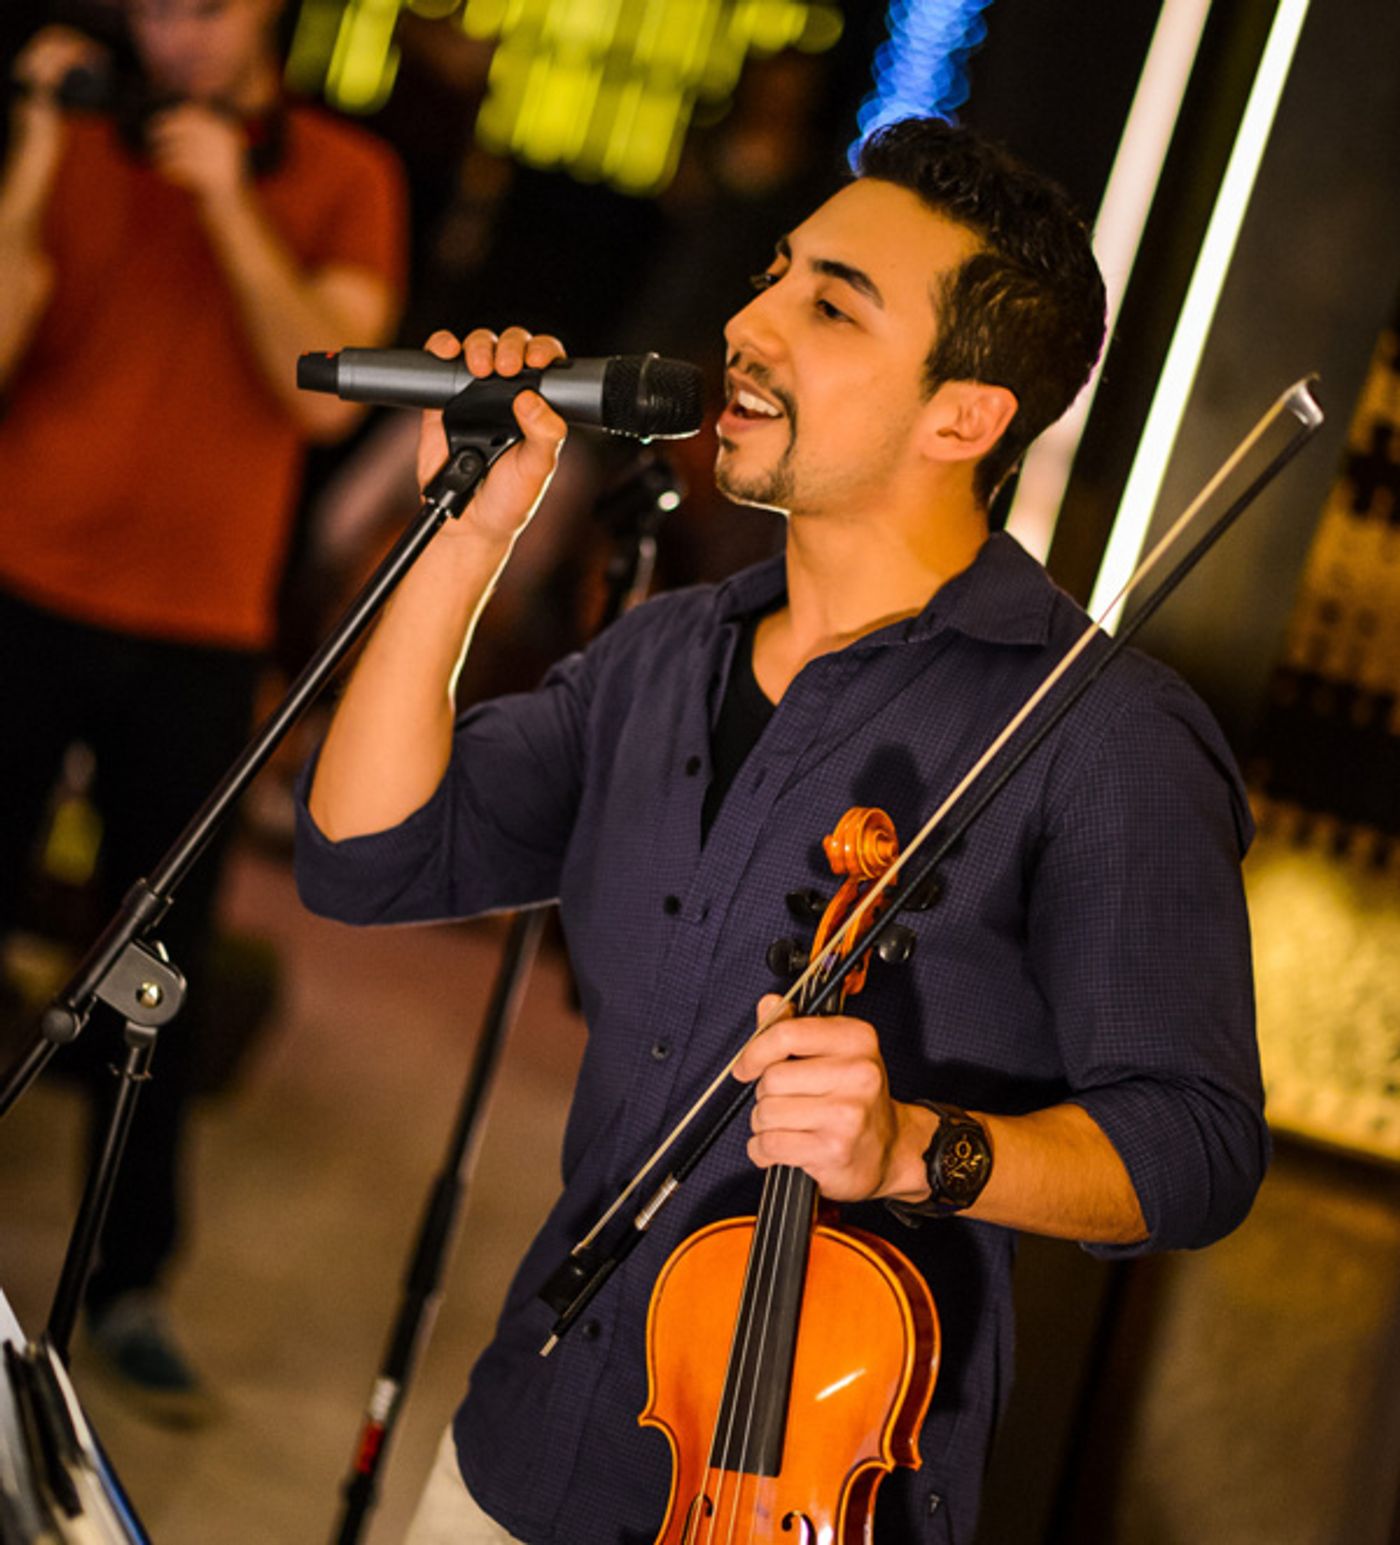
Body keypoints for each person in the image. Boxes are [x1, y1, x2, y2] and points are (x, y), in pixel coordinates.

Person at [295, 119, 1267, 1542]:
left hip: (818, 1490)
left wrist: (917, 1146)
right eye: (773, 275)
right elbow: (365, 854)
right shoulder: (662, 656)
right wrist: (466, 533)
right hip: (520, 1451)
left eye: (830, 303)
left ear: (965, 415)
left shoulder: (1100, 734)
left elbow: (1194, 1147)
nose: (747, 324)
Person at [0, 0, 405, 1416]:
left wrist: (232, 205)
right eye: (154, 2)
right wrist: (40, 151)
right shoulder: (71, 134)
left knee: (151, 971)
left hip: (196, 629)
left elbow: (321, 396)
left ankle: (124, 1282)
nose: (173, 29)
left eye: (205, 4)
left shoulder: (345, 175)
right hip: (19, 588)